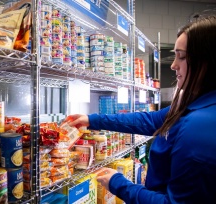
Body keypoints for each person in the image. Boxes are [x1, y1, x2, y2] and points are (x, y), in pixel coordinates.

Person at [67, 15, 216, 203]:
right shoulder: (194, 105)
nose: (173, 65)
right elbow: (150, 121)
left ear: (206, 62)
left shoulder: (199, 128)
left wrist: (118, 183)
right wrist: (92, 119)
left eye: (182, 57)